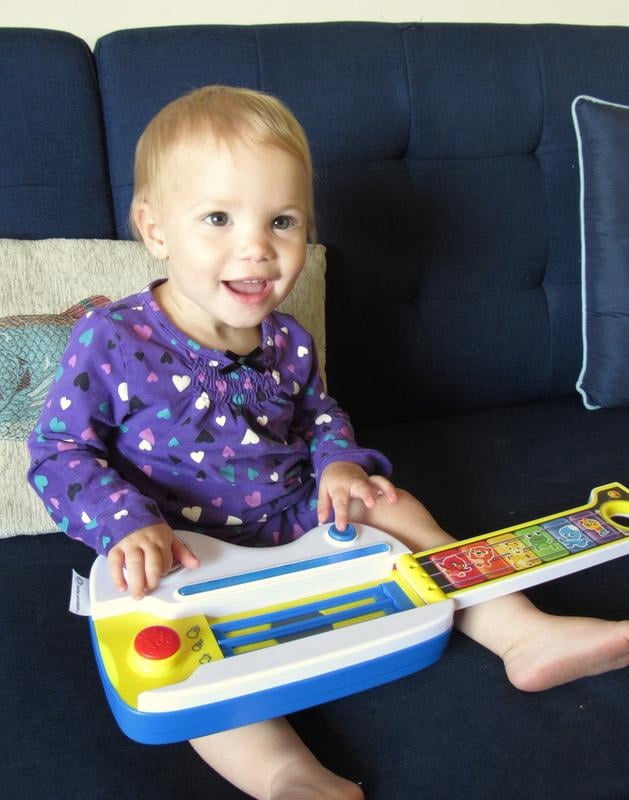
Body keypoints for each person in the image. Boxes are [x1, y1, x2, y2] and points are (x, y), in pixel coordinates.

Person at [28, 85, 629, 800]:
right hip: (179, 543)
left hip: (297, 512)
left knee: (393, 502)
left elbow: (318, 414)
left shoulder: (287, 339)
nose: (255, 247)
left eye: (280, 221)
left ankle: (521, 634)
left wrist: (339, 464)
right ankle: (285, 775)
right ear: (154, 230)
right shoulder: (112, 338)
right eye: (217, 218)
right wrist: (128, 525)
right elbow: (58, 453)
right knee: (179, 662)